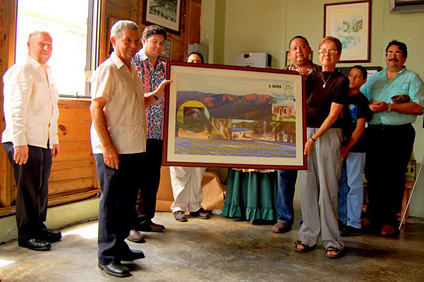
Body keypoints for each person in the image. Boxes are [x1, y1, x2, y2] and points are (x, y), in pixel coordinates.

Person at [90, 20, 170, 277]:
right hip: (114, 148)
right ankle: (107, 255)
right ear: (114, 41)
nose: (134, 45)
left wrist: (157, 93)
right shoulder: (109, 69)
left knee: (125, 203)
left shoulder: (131, 70)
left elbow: (138, 104)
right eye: (128, 40)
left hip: (133, 147)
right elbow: (96, 108)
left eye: (136, 40)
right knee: (111, 202)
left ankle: (121, 245)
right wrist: (107, 147)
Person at [2, 31, 62, 251]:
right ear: (29, 45)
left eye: (49, 44)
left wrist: (53, 138)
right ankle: (26, 235)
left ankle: (38, 226)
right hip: (24, 141)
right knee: (28, 190)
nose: (46, 48)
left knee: (40, 188)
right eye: (41, 44)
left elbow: (51, 109)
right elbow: (15, 108)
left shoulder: (46, 72)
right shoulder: (22, 70)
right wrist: (20, 142)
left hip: (42, 141)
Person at [360, 40, 424, 237]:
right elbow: (361, 99)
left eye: (397, 53)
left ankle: (389, 219)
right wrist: (368, 106)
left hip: (399, 133)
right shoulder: (374, 79)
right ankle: (372, 215)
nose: (392, 56)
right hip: (374, 132)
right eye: (389, 52)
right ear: (385, 56)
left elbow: (418, 107)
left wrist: (388, 106)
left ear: (404, 57)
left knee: (394, 176)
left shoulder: (412, 78)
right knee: (373, 174)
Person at [294, 36, 348, 259]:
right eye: (323, 50)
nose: (327, 54)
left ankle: (332, 240)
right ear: (317, 54)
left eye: (332, 51)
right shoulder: (310, 77)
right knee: (307, 187)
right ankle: (307, 235)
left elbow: (334, 115)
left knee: (327, 189)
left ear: (339, 55)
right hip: (307, 134)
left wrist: (314, 138)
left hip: (327, 135)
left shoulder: (340, 81)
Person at [272, 35, 320, 234]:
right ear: (289, 54)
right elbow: (276, 103)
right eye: (294, 48)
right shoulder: (283, 75)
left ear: (309, 50)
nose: (298, 51)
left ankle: (309, 220)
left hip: (313, 131)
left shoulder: (321, 73)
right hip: (288, 131)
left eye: (302, 47)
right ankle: (284, 218)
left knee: (311, 178)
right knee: (284, 176)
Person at [129, 25, 167, 240]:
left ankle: (145, 219)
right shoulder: (133, 63)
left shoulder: (164, 68)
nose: (158, 46)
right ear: (144, 40)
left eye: (161, 43)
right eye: (154, 41)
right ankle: (130, 223)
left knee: (151, 179)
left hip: (157, 131)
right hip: (136, 130)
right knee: (133, 179)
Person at [170, 52, 209, 222]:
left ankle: (195, 206)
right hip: (181, 133)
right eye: (191, 61)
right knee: (180, 171)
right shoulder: (177, 81)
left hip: (201, 134)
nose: (194, 63)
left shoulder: (207, 85)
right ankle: (179, 207)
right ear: (185, 63)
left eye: (198, 61)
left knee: (198, 171)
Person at [337, 65, 371, 237]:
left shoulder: (362, 100)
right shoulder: (340, 97)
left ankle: (354, 222)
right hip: (339, 145)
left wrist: (346, 148)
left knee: (354, 183)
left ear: (364, 81)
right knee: (341, 183)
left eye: (358, 77)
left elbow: (359, 130)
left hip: (356, 147)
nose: (352, 79)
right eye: (351, 75)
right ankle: (341, 219)